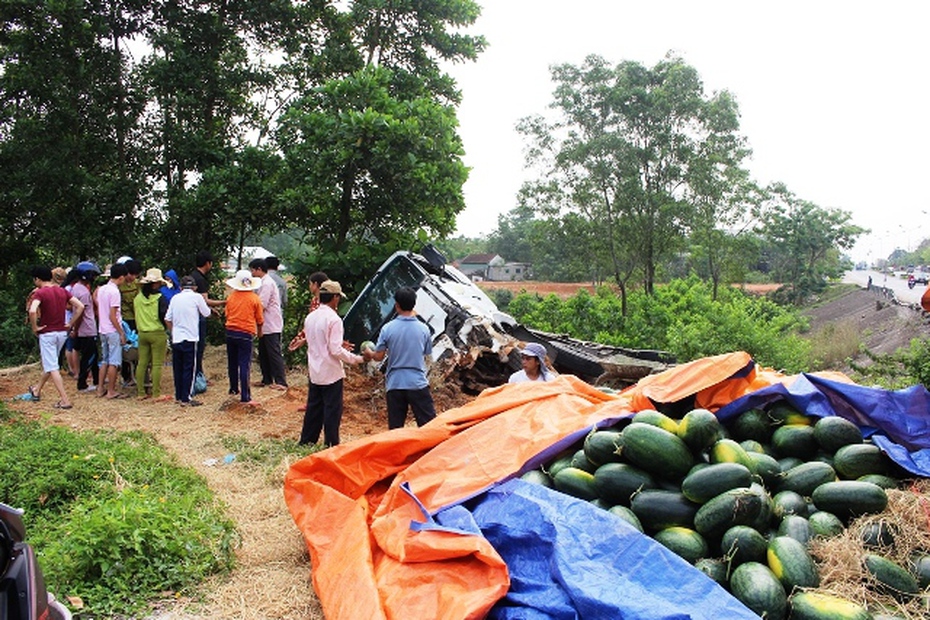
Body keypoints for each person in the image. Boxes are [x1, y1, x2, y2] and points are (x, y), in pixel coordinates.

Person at [362, 286, 437, 430]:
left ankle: (397, 453)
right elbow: (426, 353)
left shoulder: (387, 328)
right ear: (414, 304)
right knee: (429, 427)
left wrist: (369, 354)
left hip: (395, 383)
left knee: (396, 430)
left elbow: (378, 357)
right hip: (417, 382)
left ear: (396, 305)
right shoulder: (424, 329)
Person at [301, 280, 364, 446]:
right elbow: (335, 350)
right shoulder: (334, 320)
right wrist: (355, 359)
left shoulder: (311, 317)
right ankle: (331, 443)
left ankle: (307, 440)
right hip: (330, 371)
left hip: (315, 369)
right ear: (335, 297)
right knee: (332, 410)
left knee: (314, 408)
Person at [27, 266, 85, 409]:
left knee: (52, 366)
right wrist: (70, 323)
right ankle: (37, 390)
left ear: (37, 279)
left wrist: (35, 327)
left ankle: (64, 400)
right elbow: (81, 306)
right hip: (61, 333)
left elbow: (33, 310)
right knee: (50, 363)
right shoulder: (62, 290)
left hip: (47, 333)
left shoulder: (39, 293)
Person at [165, 276, 211, 406]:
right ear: (195, 287)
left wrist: (173, 331)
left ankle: (179, 395)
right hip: (191, 337)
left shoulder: (175, 298)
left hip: (177, 338)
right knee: (189, 368)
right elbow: (206, 313)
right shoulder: (197, 297)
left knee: (177, 368)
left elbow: (167, 319)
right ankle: (187, 397)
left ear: (180, 287)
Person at [224, 269, 264, 406]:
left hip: (230, 331)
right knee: (244, 364)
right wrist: (259, 332)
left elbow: (227, 314)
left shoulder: (231, 297)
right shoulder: (254, 299)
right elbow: (259, 319)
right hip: (245, 333)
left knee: (232, 362)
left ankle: (234, 388)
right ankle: (245, 396)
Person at [249, 258, 287, 390]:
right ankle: (267, 379)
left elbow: (261, 304)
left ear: (259, 269)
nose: (252, 273)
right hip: (264, 324)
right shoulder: (262, 282)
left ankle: (281, 381)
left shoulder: (267, 283)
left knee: (273, 353)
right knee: (264, 352)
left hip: (271, 323)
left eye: (252, 270)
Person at [134, 268, 170, 400]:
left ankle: (140, 392)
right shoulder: (160, 298)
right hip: (157, 333)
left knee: (142, 362)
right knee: (156, 364)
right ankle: (156, 393)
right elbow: (164, 316)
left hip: (142, 333)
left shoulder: (137, 298)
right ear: (156, 283)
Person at [190, 251, 226, 379]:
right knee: (199, 347)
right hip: (199, 318)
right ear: (208, 263)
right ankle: (198, 375)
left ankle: (196, 373)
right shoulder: (200, 279)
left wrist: (210, 309)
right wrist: (224, 302)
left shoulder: (192, 276)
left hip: (191, 316)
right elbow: (204, 301)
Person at [96, 263, 128, 399]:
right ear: (120, 277)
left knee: (105, 360)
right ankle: (111, 391)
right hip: (112, 329)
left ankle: (100, 388)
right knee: (114, 361)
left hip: (102, 329)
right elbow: (113, 315)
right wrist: (121, 332)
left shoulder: (102, 289)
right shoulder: (114, 292)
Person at [71, 263, 100, 392]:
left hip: (84, 329)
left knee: (92, 356)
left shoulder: (76, 288)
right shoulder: (82, 292)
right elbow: (81, 313)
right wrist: (75, 329)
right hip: (87, 329)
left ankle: (96, 380)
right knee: (90, 357)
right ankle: (82, 384)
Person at [287, 271, 328, 351]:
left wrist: (303, 339)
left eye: (310, 284)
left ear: (315, 284)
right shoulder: (315, 300)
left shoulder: (322, 302)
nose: (309, 287)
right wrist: (299, 338)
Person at [118, 258, 143, 387]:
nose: (133, 277)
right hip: (124, 320)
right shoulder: (119, 285)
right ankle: (126, 376)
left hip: (136, 319)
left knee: (137, 348)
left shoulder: (137, 284)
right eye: (131, 274)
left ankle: (138, 375)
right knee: (125, 350)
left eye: (135, 275)